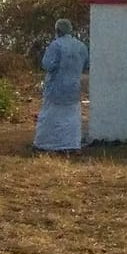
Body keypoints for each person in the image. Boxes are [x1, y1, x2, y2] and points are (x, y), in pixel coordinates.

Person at [34, 18, 89, 153]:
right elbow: (87, 65)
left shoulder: (56, 45)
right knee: (71, 119)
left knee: (51, 117)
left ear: (57, 30)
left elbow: (47, 65)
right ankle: (71, 144)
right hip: (73, 89)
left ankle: (48, 144)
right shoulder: (81, 46)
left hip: (56, 89)